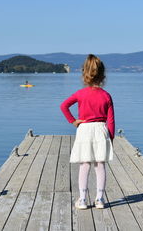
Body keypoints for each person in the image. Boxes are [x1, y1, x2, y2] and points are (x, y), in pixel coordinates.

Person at [60, 54, 115, 210]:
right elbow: (111, 121)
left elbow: (63, 106)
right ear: (103, 75)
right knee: (100, 165)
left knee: (84, 165)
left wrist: (73, 121)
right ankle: (99, 199)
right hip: (100, 130)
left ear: (85, 74)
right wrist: (110, 139)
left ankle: (83, 199)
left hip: (84, 129)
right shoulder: (106, 96)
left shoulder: (80, 94)